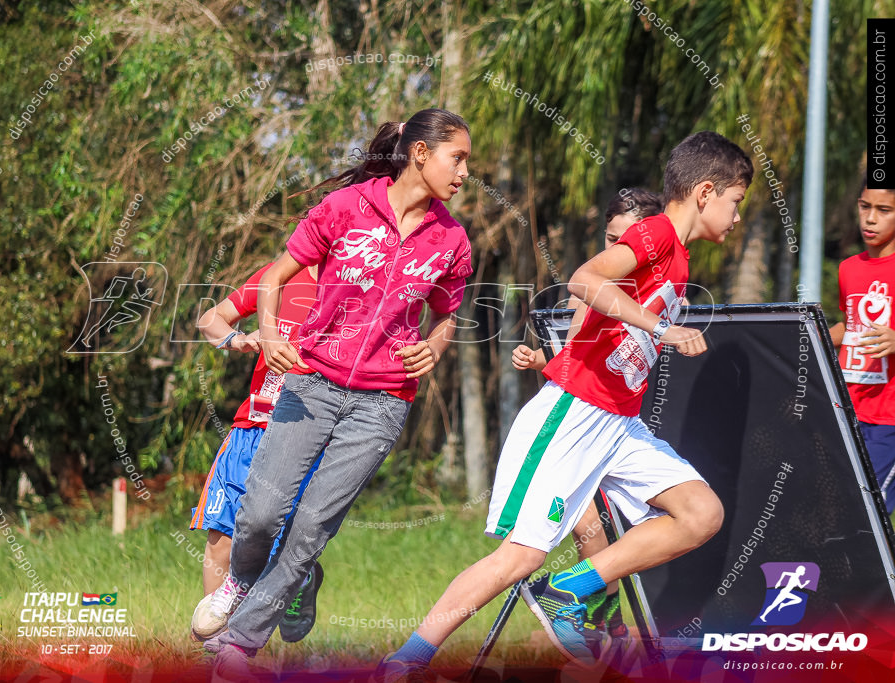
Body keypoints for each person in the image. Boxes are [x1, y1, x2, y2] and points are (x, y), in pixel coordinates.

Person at [379, 131, 751, 679]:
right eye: (736, 202)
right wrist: (661, 327)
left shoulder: (679, 257)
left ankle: (565, 590)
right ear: (705, 191)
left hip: (619, 425)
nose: (738, 217)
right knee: (518, 558)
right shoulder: (656, 234)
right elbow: (583, 280)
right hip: (576, 413)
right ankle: (405, 661)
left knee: (701, 514)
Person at [203, 108, 475, 681]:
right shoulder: (344, 209)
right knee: (259, 516)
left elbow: (447, 313)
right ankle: (239, 584)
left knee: (308, 532)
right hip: (312, 383)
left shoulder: (451, 238)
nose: (465, 172)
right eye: (459, 157)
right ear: (421, 154)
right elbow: (275, 277)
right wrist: (273, 335)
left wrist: (436, 347)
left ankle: (240, 645)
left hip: (382, 404)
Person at [510, 187, 664, 661]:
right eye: (609, 237)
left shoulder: (659, 282)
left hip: (615, 424)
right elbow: (575, 352)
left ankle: (595, 608)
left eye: (625, 239)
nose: (615, 248)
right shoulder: (598, 279)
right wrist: (542, 359)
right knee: (585, 527)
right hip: (575, 417)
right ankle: (604, 613)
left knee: (620, 527)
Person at [189, 259, 324, 645]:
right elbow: (211, 319)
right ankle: (216, 646)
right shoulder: (280, 276)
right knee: (221, 541)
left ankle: (303, 577)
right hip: (251, 427)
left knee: (279, 544)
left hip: (305, 435)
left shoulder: (356, 291)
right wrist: (238, 339)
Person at [829, 182, 895, 513]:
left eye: (884, 211)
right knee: (841, 503)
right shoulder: (848, 268)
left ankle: (874, 567)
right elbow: (851, 323)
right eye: (864, 207)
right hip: (847, 408)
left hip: (888, 418)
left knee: (872, 511)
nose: (870, 219)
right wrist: (816, 336)